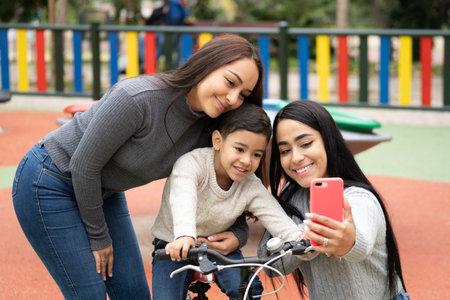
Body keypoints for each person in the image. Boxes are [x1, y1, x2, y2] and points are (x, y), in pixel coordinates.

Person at [11, 34, 263, 300]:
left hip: (104, 192)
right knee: (90, 294)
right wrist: (99, 238)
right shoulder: (137, 98)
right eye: (230, 82)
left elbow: (224, 188)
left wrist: (238, 233)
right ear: (207, 64)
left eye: (243, 95)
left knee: (134, 294)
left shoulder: (212, 128)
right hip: (50, 179)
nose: (234, 98)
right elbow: (84, 165)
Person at [258, 100, 409, 300]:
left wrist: (347, 241)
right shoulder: (289, 201)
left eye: (305, 144)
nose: (295, 157)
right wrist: (304, 244)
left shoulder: (360, 198)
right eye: (285, 150)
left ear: (328, 140)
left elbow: (361, 245)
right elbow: (270, 265)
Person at [151, 103, 304, 300]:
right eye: (239, 149)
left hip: (217, 247)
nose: (247, 161)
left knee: (248, 290)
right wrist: (184, 235)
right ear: (217, 141)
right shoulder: (191, 165)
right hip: (174, 245)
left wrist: (298, 239)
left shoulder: (250, 185)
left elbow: (275, 216)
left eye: (256, 154)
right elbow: (183, 199)